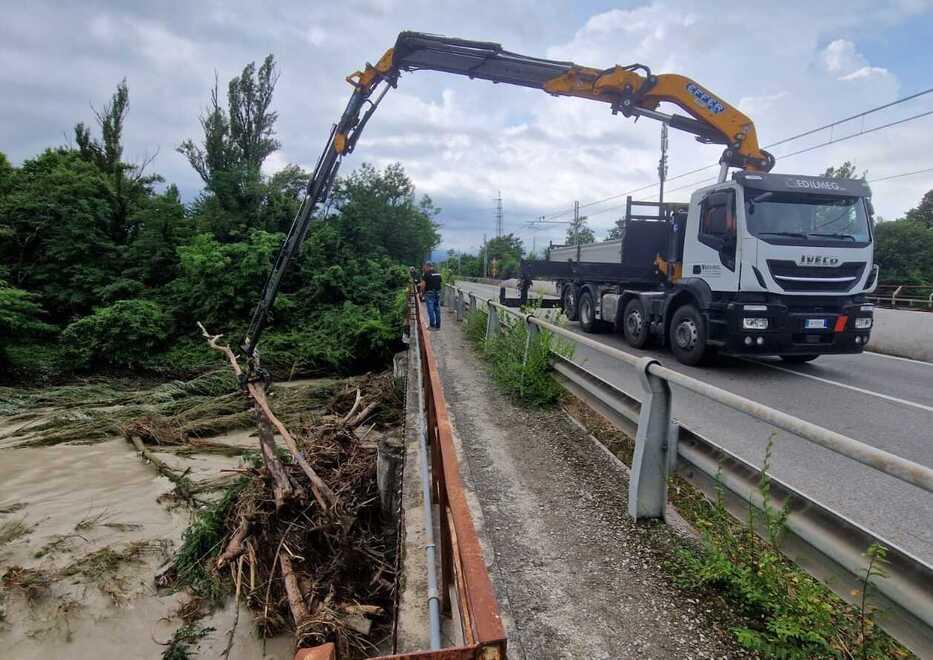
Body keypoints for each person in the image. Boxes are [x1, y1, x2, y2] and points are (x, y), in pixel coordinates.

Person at [420, 261, 442, 329]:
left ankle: (432, 325)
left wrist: (422, 293)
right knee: (437, 309)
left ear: (427, 266)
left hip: (429, 293)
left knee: (430, 309)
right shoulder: (438, 273)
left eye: (425, 267)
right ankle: (438, 326)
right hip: (437, 292)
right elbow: (440, 282)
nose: (424, 268)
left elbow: (423, 285)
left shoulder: (426, 274)